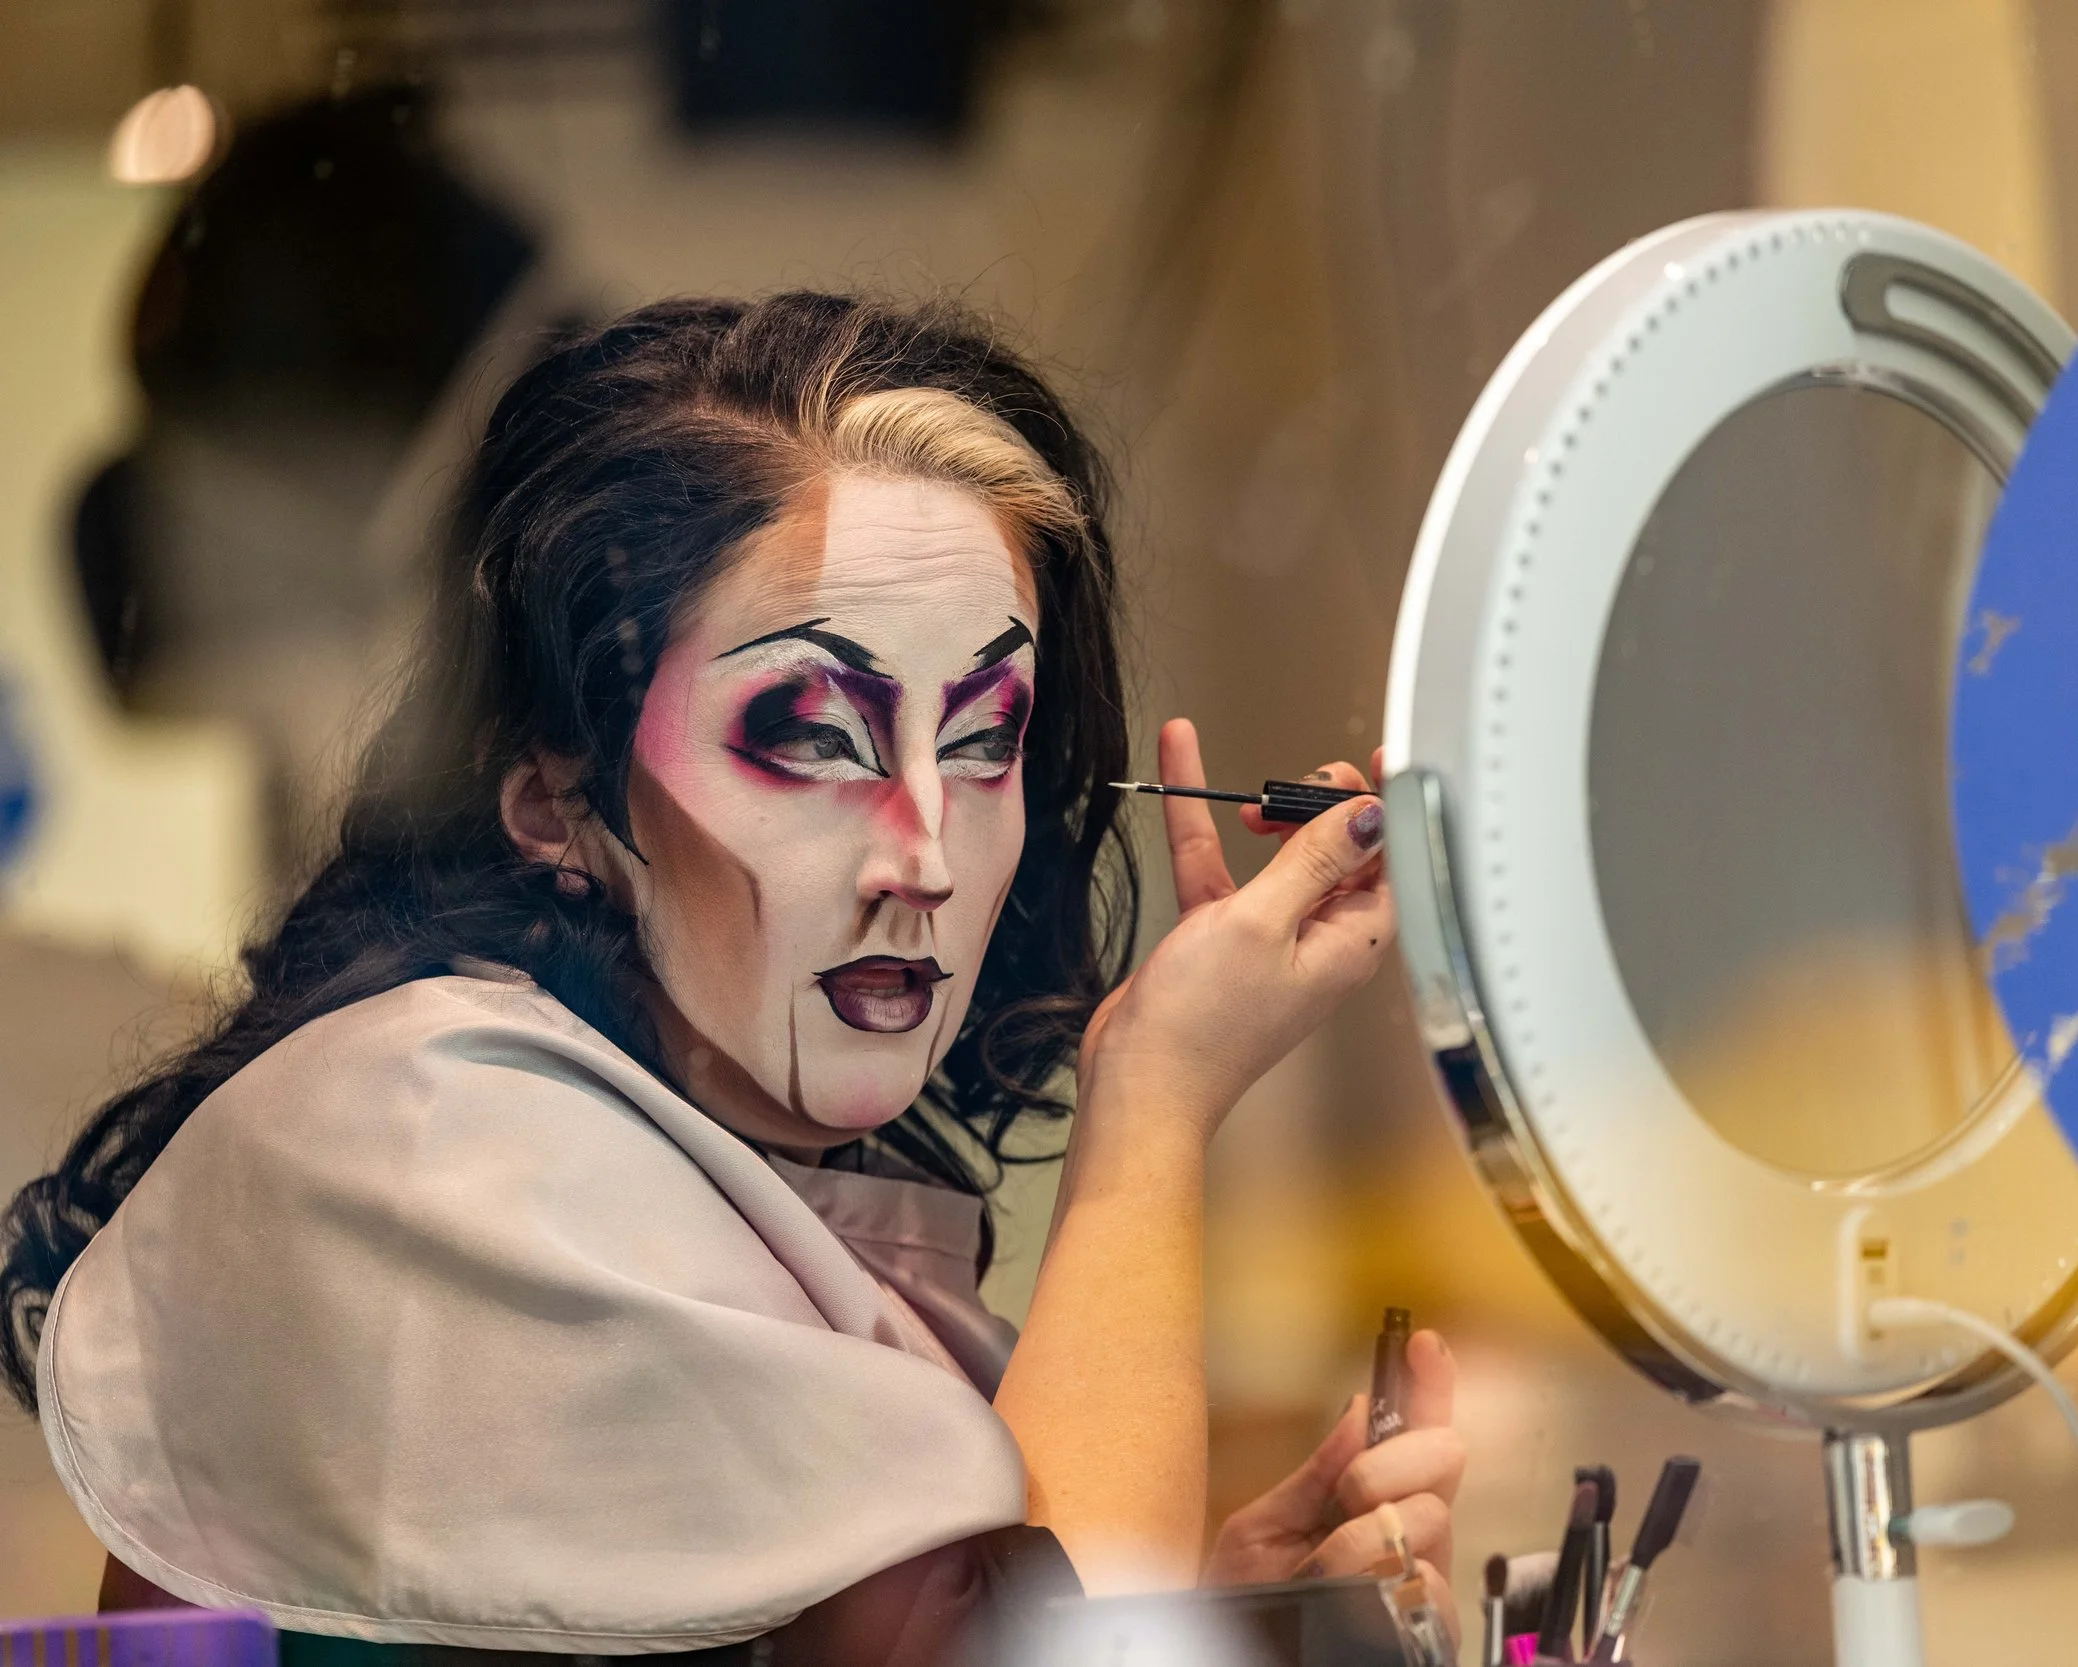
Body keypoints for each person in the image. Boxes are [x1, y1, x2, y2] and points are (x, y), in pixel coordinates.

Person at [0, 294, 1463, 1663]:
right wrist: (1153, 1105)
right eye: (814, 736)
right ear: (555, 798)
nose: (928, 857)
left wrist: (1218, 1594)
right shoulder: (423, 1135)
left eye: (981, 738)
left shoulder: (715, 1172)